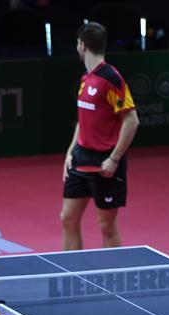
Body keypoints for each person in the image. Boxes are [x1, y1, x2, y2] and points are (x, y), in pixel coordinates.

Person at [60, 21, 139, 251]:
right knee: (67, 218)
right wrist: (70, 152)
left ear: (82, 45)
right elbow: (82, 120)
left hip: (105, 162)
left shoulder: (111, 79)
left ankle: (112, 280)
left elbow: (132, 120)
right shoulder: (86, 79)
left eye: (77, 43)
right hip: (81, 159)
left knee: (106, 225)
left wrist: (114, 159)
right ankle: (72, 275)